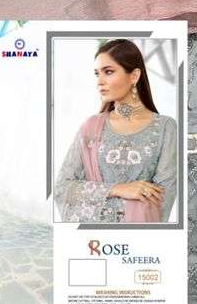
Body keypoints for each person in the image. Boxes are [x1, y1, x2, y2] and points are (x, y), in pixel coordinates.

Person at [54, 38, 177, 224]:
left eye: (109, 72)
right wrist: (119, 189)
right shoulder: (91, 127)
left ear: (134, 76)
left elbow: (162, 199)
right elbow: (62, 189)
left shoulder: (165, 128)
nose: (100, 81)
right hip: (93, 238)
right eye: (97, 74)